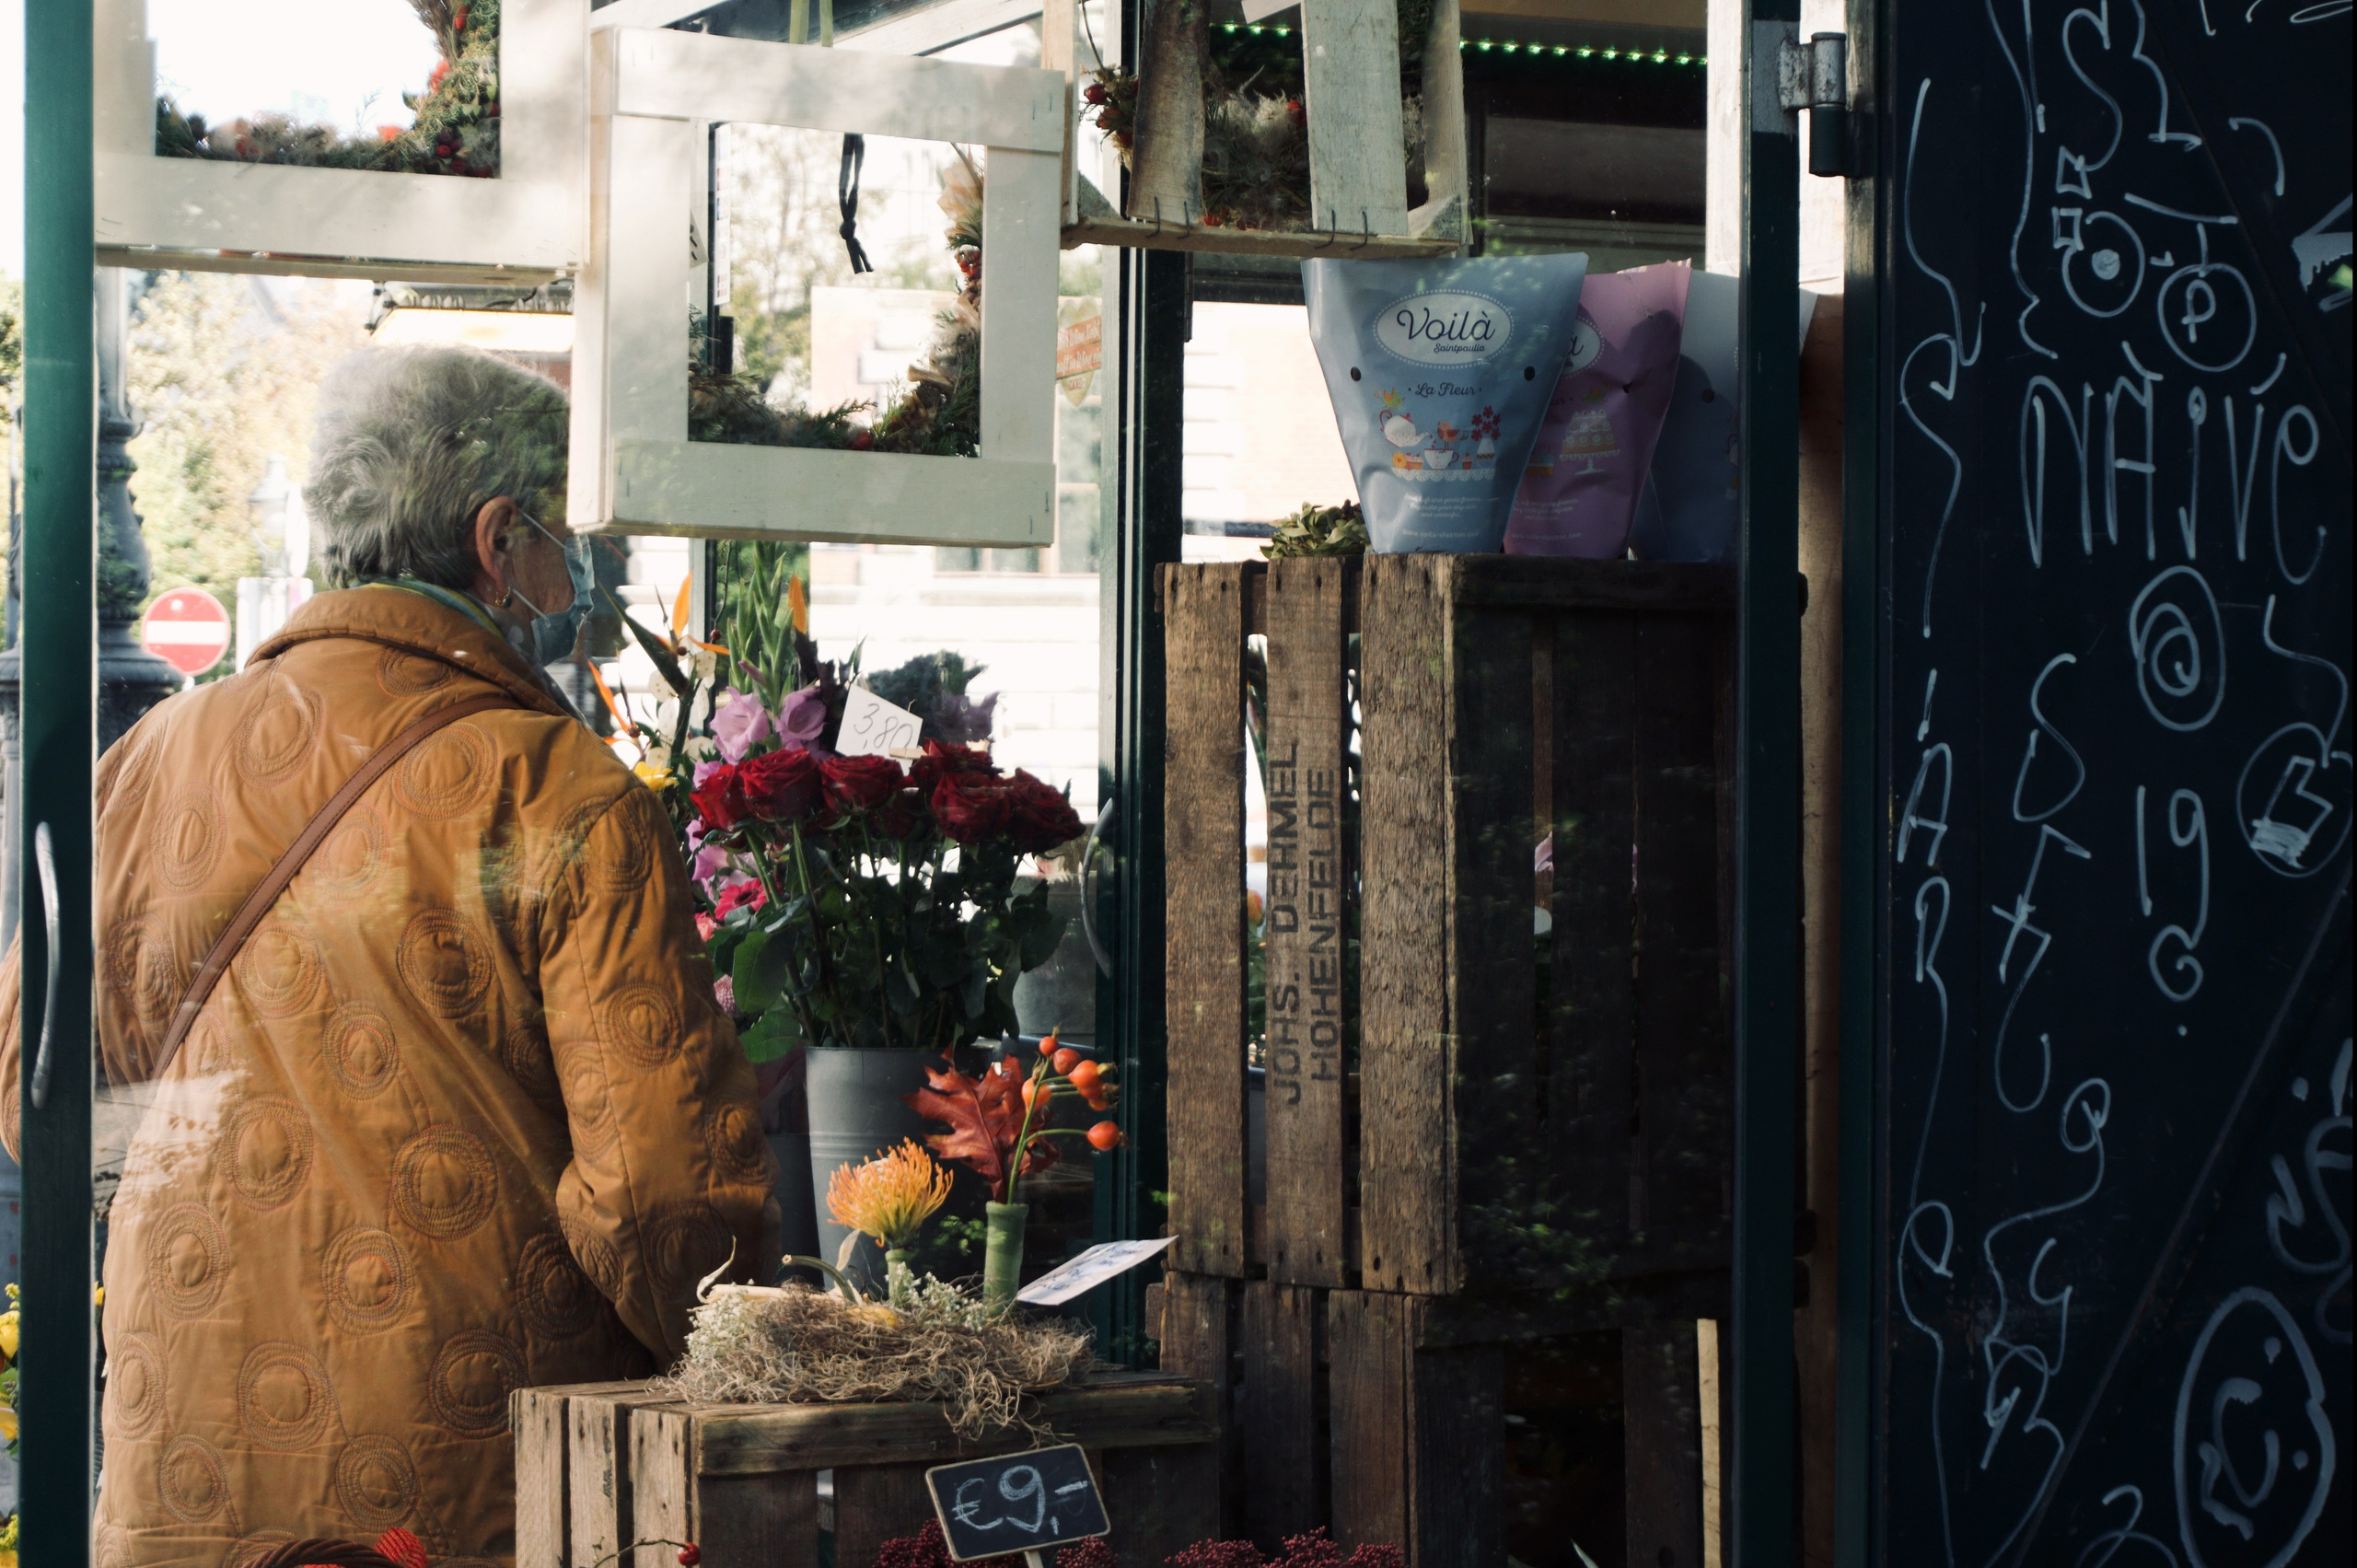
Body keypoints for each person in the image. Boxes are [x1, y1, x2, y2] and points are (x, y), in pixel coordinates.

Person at [0, 345, 775, 1562]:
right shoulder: (559, 790)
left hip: (183, 1464)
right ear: (498, 540)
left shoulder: (147, 762)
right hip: (465, 1478)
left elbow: (32, 1099)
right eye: (565, 539)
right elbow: (659, 1198)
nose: (577, 573)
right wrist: (768, 1352)